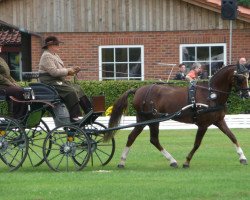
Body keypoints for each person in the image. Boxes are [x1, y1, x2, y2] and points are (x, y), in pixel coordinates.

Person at [38, 36, 92, 122]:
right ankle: (74, 117)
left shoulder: (55, 55)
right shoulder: (46, 56)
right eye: (56, 44)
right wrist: (68, 70)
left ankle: (89, 110)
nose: (58, 46)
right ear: (50, 46)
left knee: (78, 88)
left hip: (57, 80)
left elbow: (61, 70)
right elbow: (54, 72)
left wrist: (72, 70)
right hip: (49, 81)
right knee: (70, 91)